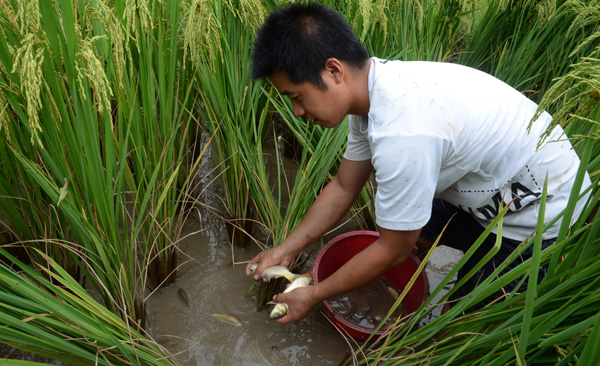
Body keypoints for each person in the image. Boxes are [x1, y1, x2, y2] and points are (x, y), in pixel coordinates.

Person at [245, 2, 591, 324]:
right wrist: (287, 249)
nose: (298, 112)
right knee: (413, 234)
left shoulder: (403, 131)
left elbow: (394, 249)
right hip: (493, 187)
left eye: (297, 97)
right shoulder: (373, 93)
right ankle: (404, 291)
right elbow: (344, 186)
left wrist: (315, 294)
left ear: (334, 70)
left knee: (457, 323)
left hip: (542, 213)